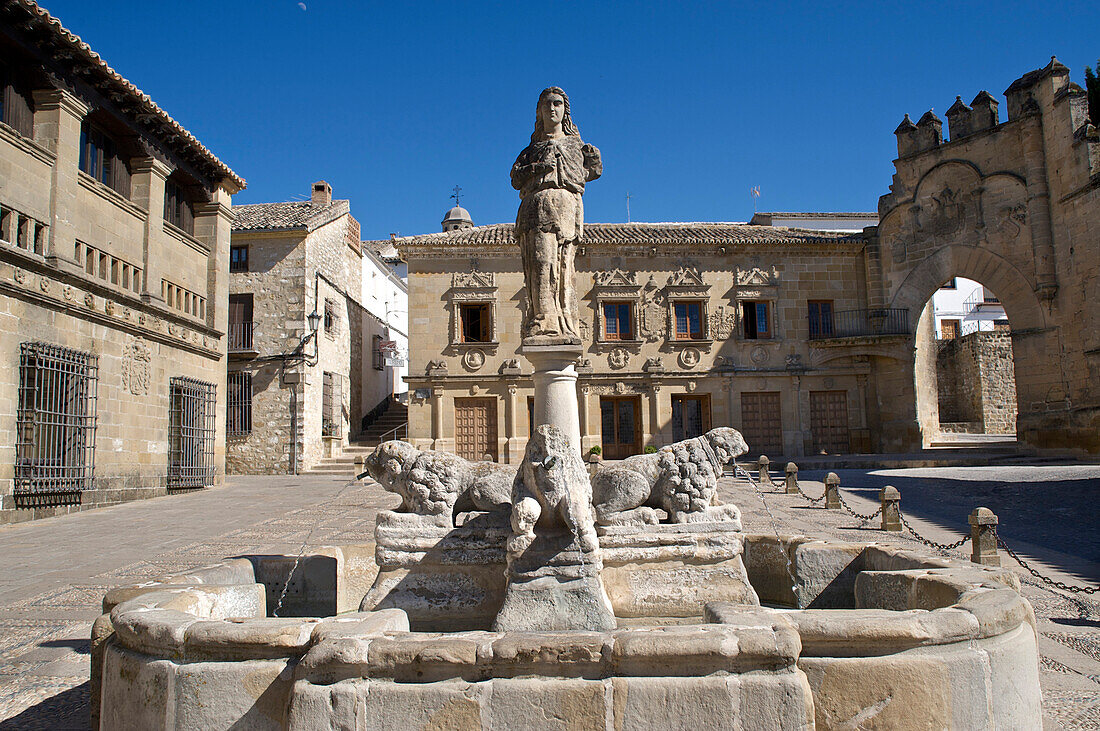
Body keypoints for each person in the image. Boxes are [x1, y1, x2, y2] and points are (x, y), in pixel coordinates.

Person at [511, 87, 602, 343]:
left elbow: (589, 173)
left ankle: (564, 319)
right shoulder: (530, 150)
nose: (552, 108)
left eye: (558, 104)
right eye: (547, 104)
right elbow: (516, 178)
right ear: (539, 112)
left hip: (566, 209)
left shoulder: (576, 146)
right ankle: (544, 318)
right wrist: (539, 167)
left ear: (565, 110)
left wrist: (593, 160)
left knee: (564, 268)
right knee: (541, 263)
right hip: (536, 210)